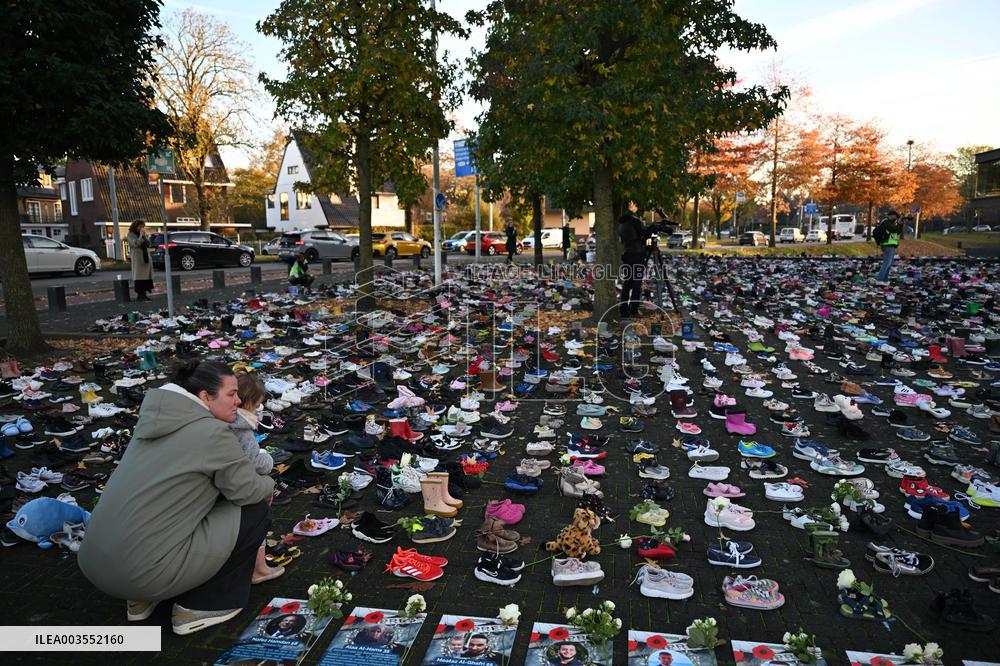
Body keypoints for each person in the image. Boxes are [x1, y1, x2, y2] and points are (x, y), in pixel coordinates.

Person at [78, 361, 275, 635]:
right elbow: (249, 490)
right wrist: (270, 482)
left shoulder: (152, 424)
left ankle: (142, 600)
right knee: (255, 508)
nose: (239, 400)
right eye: (231, 394)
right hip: (142, 573)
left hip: (96, 564)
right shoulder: (212, 433)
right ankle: (201, 605)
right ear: (205, 396)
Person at [230, 373, 281, 585]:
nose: (259, 409)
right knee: (258, 520)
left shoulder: (219, 421)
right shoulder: (242, 427)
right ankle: (259, 568)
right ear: (248, 402)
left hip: (232, 483)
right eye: (258, 404)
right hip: (244, 487)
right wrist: (267, 459)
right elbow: (253, 461)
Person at [617, 210, 650, 318]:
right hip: (637, 255)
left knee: (627, 283)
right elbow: (643, 233)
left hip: (627, 255)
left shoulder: (621, 224)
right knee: (636, 284)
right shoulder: (634, 222)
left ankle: (623, 310)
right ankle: (633, 310)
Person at [126, 219, 154, 301]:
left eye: (143, 227)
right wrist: (141, 236)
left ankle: (144, 294)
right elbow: (135, 244)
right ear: (136, 226)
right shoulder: (131, 234)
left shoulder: (142, 234)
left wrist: (145, 237)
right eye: (140, 227)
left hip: (145, 258)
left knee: (146, 277)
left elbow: (148, 244)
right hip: (138, 259)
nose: (142, 228)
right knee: (139, 277)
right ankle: (140, 295)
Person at [873, 210, 903, 283]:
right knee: (886, 263)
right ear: (891, 215)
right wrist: (898, 224)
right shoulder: (886, 222)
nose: (896, 219)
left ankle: (885, 280)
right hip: (887, 244)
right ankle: (879, 280)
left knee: (889, 263)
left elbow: (898, 231)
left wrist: (900, 224)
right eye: (895, 217)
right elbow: (894, 230)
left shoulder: (891, 223)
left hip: (891, 245)